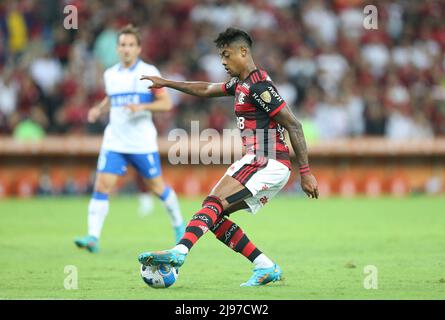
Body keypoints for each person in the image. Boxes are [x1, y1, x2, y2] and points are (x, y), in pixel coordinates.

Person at [138, 27, 319, 286]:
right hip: (261, 161)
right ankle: (265, 266)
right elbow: (204, 89)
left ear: (243, 52)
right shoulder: (240, 84)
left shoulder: (259, 85)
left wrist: (306, 172)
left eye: (226, 55)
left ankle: (179, 251)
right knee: (213, 214)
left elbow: (294, 124)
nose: (222, 62)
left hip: (266, 159)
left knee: (212, 202)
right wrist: (167, 83)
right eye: (221, 56)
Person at [74, 25, 185, 253]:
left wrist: (142, 106)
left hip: (141, 142)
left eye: (131, 45)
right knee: (102, 185)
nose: (126, 49)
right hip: (115, 141)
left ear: (138, 48)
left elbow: (166, 104)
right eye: (123, 45)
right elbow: (111, 98)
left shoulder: (148, 72)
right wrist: (99, 109)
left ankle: (179, 225)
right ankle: (93, 237)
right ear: (117, 49)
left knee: (157, 187)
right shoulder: (110, 74)